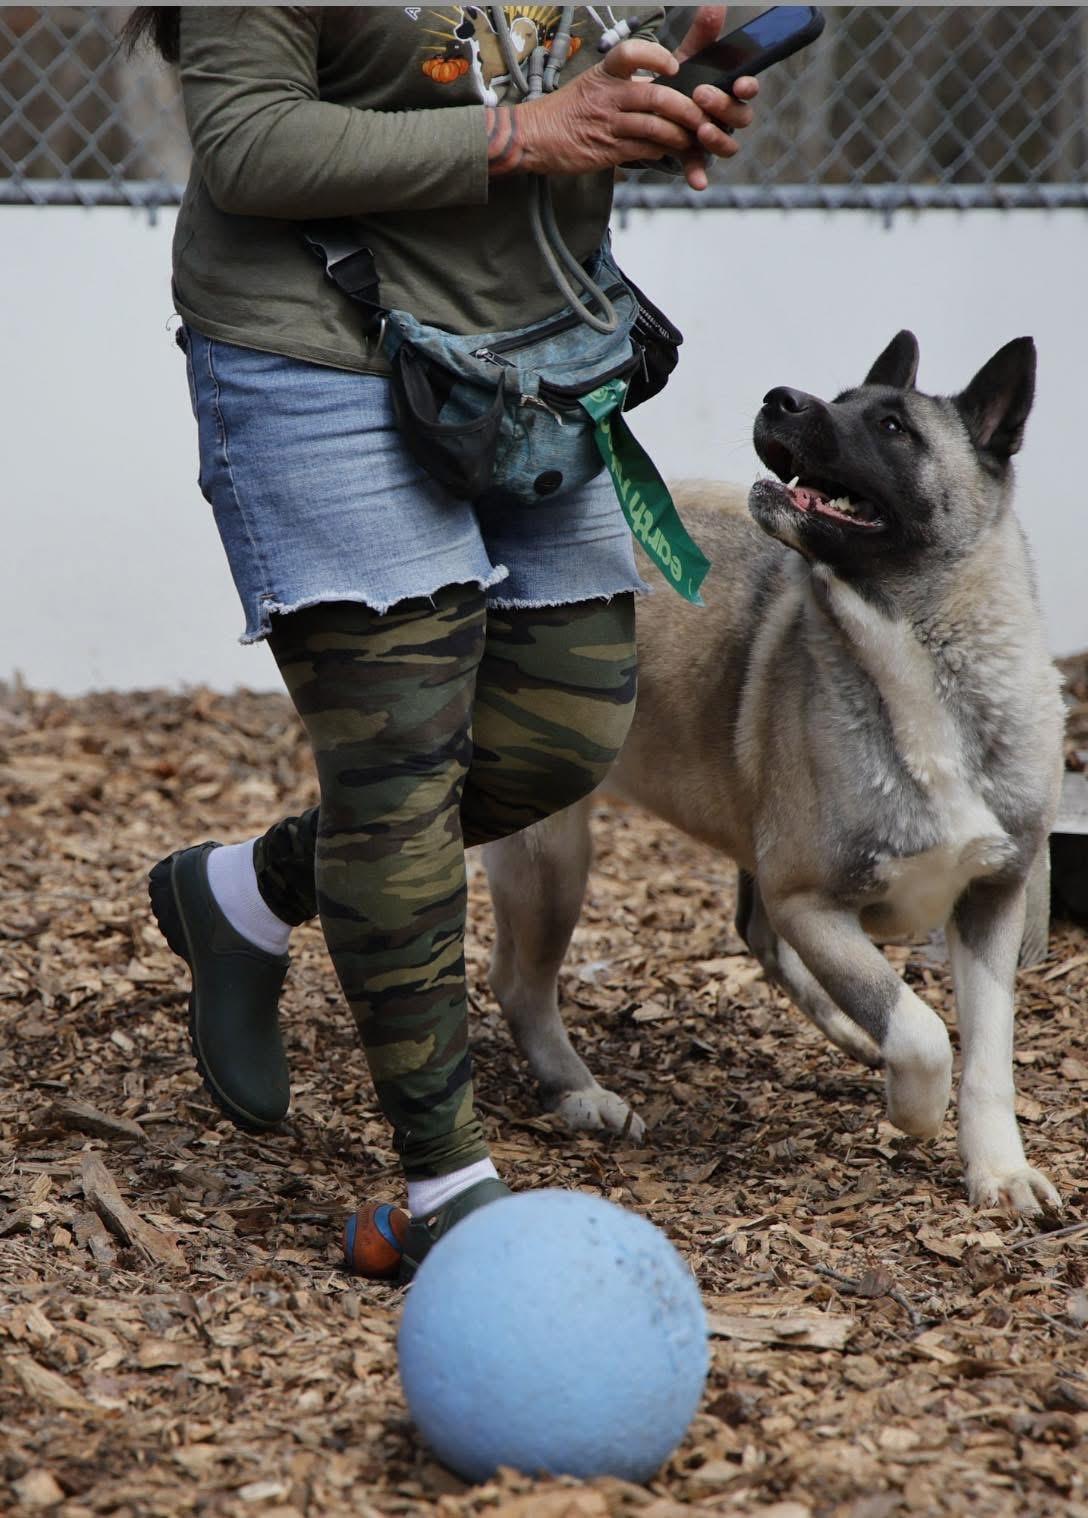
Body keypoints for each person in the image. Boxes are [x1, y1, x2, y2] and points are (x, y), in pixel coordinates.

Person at [130, 5, 757, 1279]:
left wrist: (650, 94)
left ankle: (245, 895)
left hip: (524, 349)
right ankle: (447, 1185)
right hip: (314, 343)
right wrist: (532, 129)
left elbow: (541, 70)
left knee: (564, 729)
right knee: (400, 767)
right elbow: (246, 142)